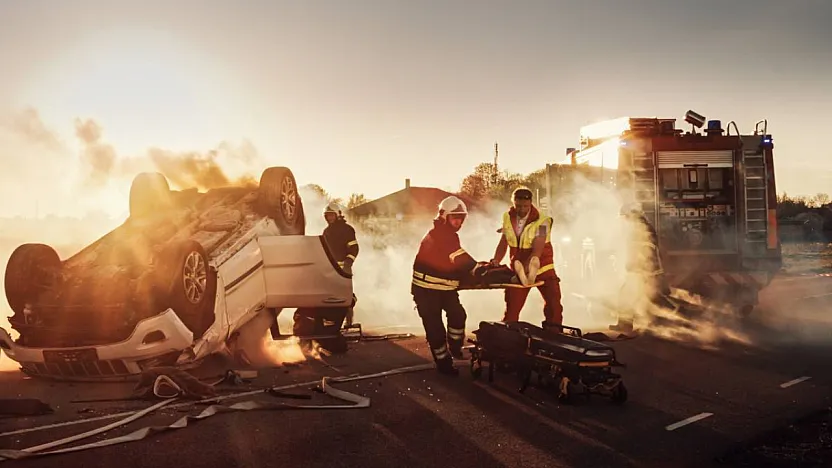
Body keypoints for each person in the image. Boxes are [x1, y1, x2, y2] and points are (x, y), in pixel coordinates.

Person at [412, 196, 486, 376]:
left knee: (458, 315)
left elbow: (452, 263)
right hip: (426, 291)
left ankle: (454, 346)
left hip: (445, 289)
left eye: (461, 218)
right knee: (436, 331)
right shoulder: (440, 234)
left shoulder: (450, 235)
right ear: (444, 216)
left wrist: (475, 270)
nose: (458, 222)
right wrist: (478, 269)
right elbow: (459, 258)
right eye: (455, 217)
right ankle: (443, 363)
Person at [490, 187, 564, 332]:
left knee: (554, 306)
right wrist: (496, 260)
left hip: (543, 269)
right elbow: (504, 241)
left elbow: (538, 248)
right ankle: (508, 338)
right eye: (518, 206)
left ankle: (554, 337)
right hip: (519, 269)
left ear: (531, 203)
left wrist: (525, 268)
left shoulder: (543, 222)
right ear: (513, 203)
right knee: (512, 308)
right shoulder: (507, 218)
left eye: (525, 206)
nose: (522, 209)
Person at [290, 202, 359, 353]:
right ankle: (328, 328)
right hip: (328, 271)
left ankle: (347, 323)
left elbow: (354, 248)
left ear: (338, 214)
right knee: (330, 300)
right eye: (326, 216)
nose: (328, 218)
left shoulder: (347, 230)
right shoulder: (327, 231)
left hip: (343, 271)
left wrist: (348, 262)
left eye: (331, 215)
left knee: (345, 298)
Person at [610, 203, 673, 332]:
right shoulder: (643, 227)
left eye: (624, 217)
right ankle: (661, 321)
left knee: (626, 295)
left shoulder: (639, 229)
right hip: (646, 270)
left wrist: (635, 265)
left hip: (642, 270)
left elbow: (644, 250)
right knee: (650, 296)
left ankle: (625, 324)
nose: (623, 221)